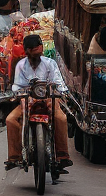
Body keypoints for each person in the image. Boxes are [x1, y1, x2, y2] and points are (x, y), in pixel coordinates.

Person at [5, 34, 71, 173]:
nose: (36, 53)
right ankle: (14, 156)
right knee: (11, 120)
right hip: (27, 98)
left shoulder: (50, 63)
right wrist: (20, 96)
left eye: (38, 49)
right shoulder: (21, 65)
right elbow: (17, 85)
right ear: (27, 51)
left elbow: (58, 82)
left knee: (61, 118)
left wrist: (62, 92)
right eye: (33, 50)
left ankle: (62, 155)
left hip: (48, 97)